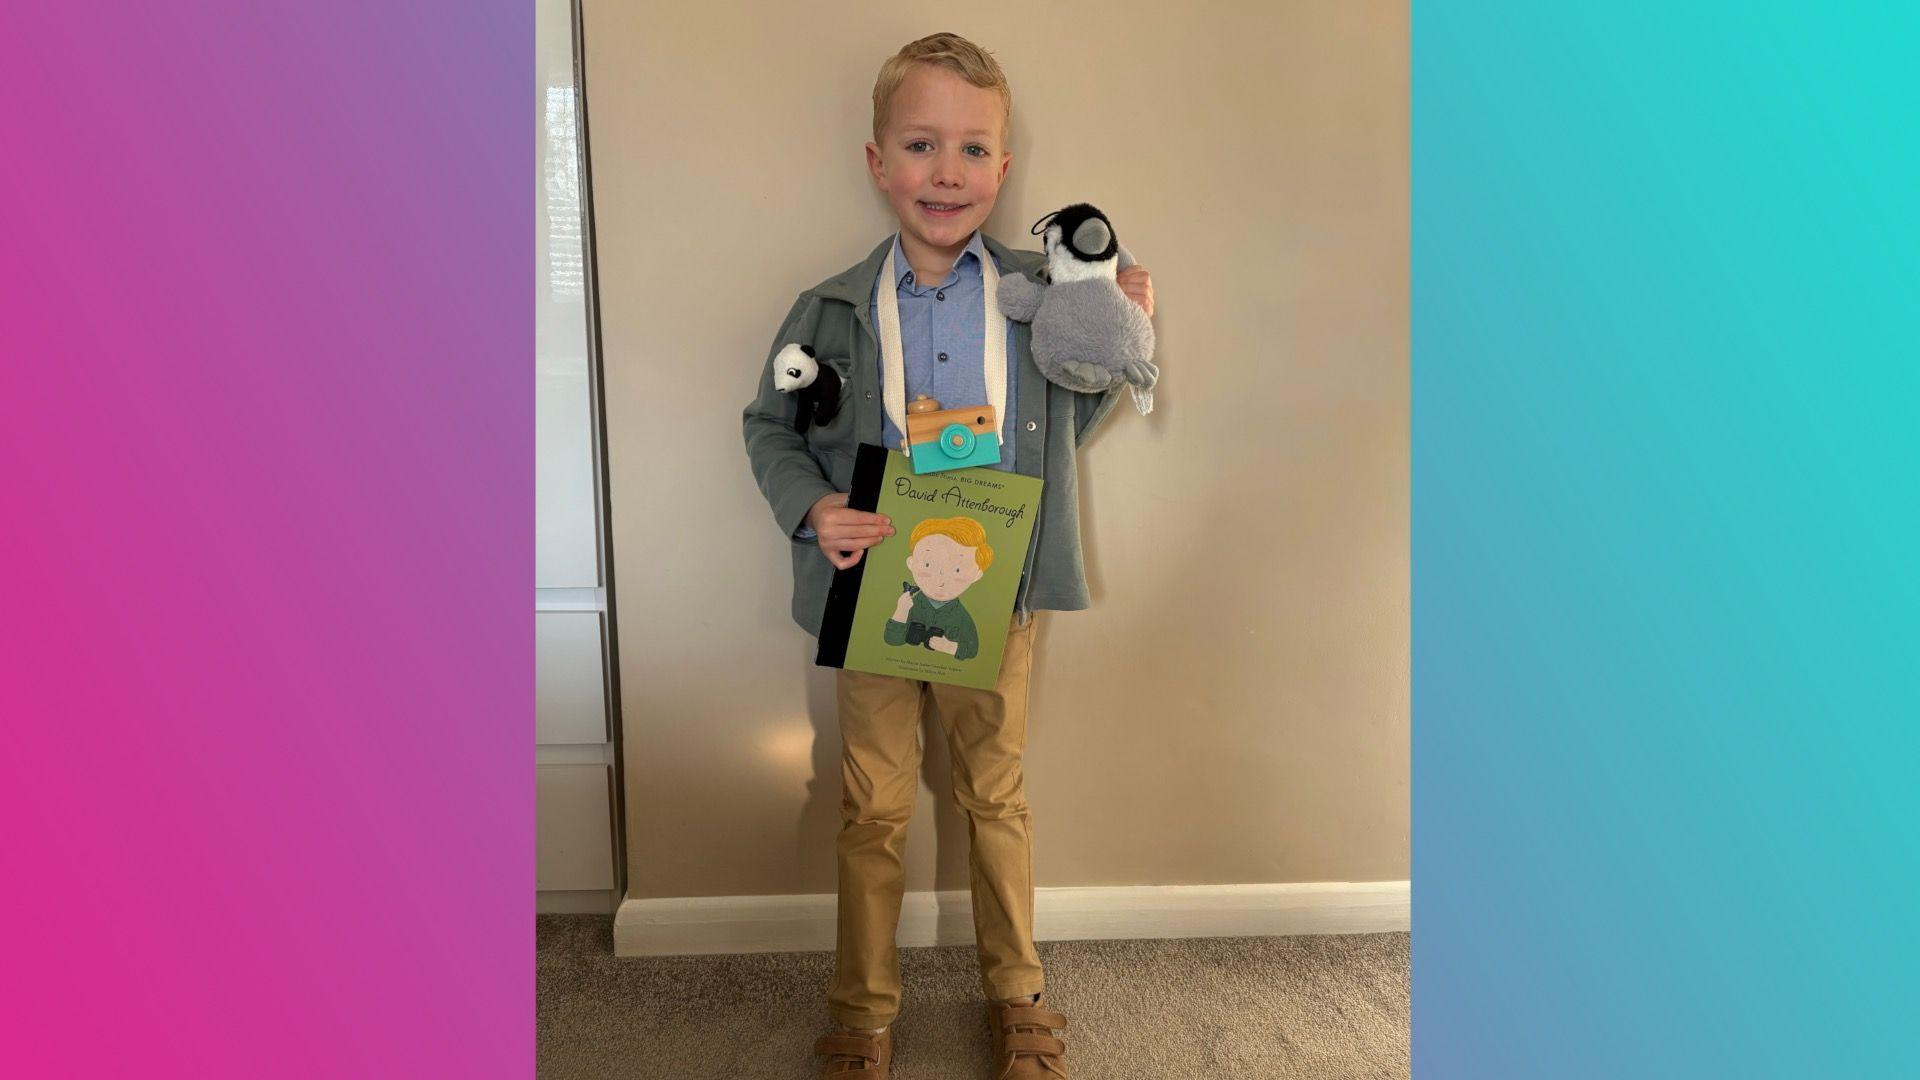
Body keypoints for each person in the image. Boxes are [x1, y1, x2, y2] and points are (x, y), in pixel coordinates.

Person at [741, 31, 1154, 1080]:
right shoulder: (828, 308)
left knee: (994, 798)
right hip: (873, 593)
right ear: (878, 161)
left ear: (1004, 170)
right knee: (871, 805)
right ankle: (861, 1008)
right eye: (921, 145)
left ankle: (1015, 992)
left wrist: (1116, 345)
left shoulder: (1038, 296)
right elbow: (769, 427)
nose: (947, 172)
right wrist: (814, 508)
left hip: (995, 596)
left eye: (973, 150)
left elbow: (1064, 426)